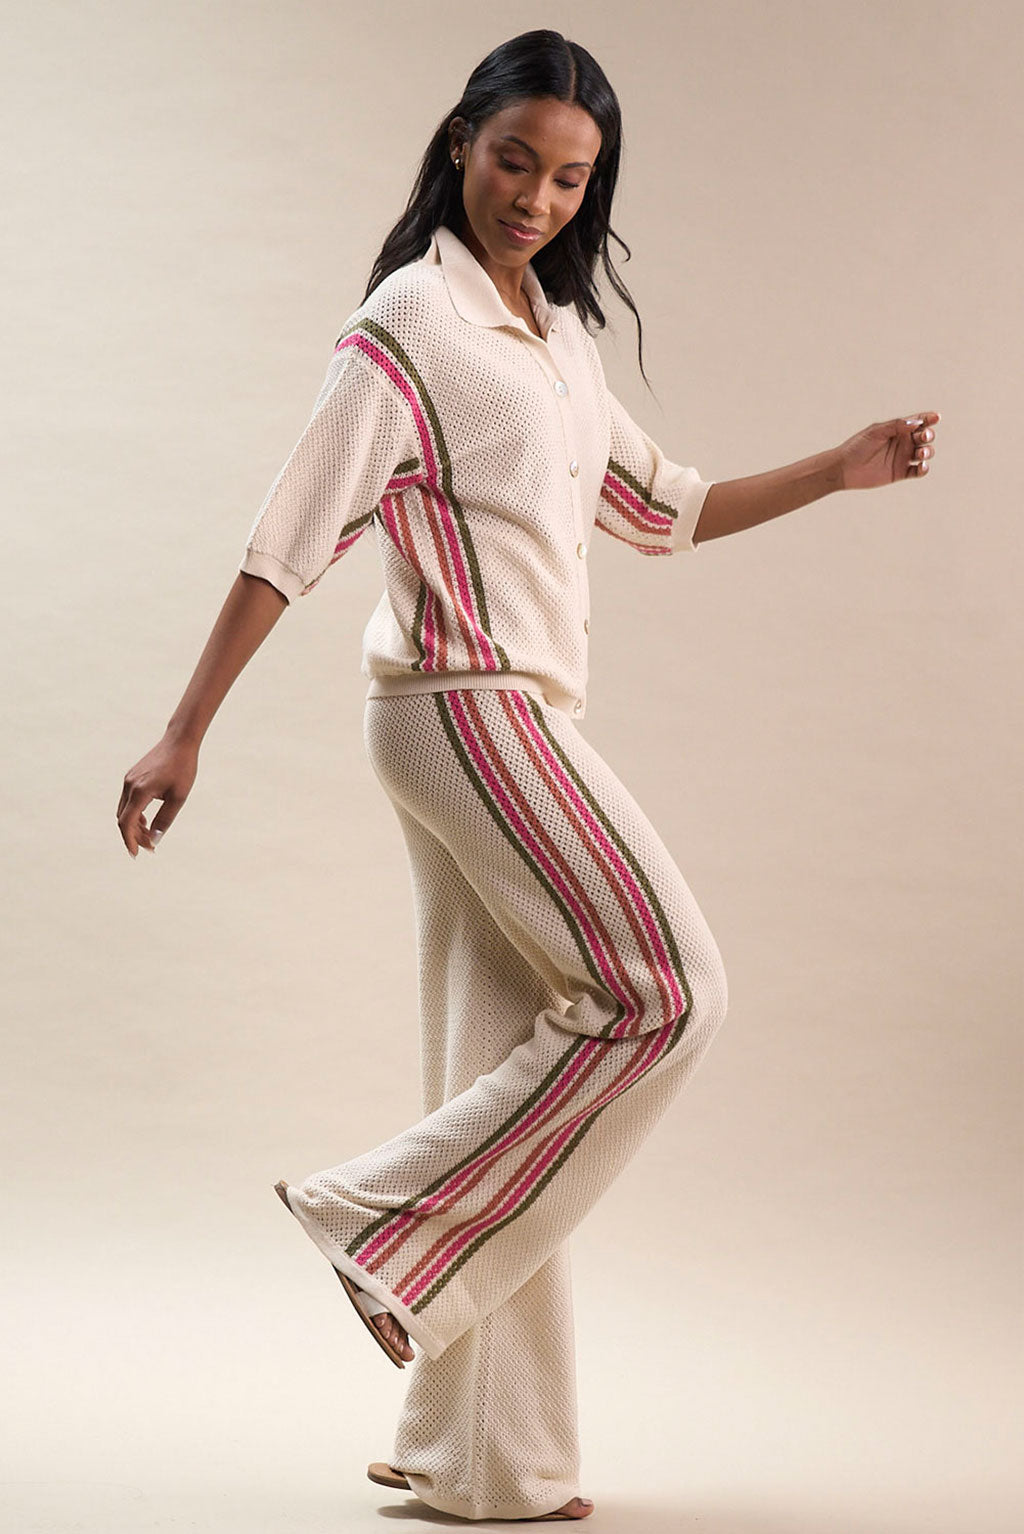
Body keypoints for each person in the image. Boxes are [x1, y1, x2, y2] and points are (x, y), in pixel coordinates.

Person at [116, 27, 939, 1527]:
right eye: (516, 161)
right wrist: (187, 730)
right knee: (668, 989)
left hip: (499, 715)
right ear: (461, 143)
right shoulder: (409, 322)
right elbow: (292, 531)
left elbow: (662, 507)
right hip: (465, 707)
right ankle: (378, 1223)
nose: (538, 198)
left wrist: (837, 467)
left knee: (511, 1065)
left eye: (571, 178)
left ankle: (481, 1457)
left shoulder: (553, 339)